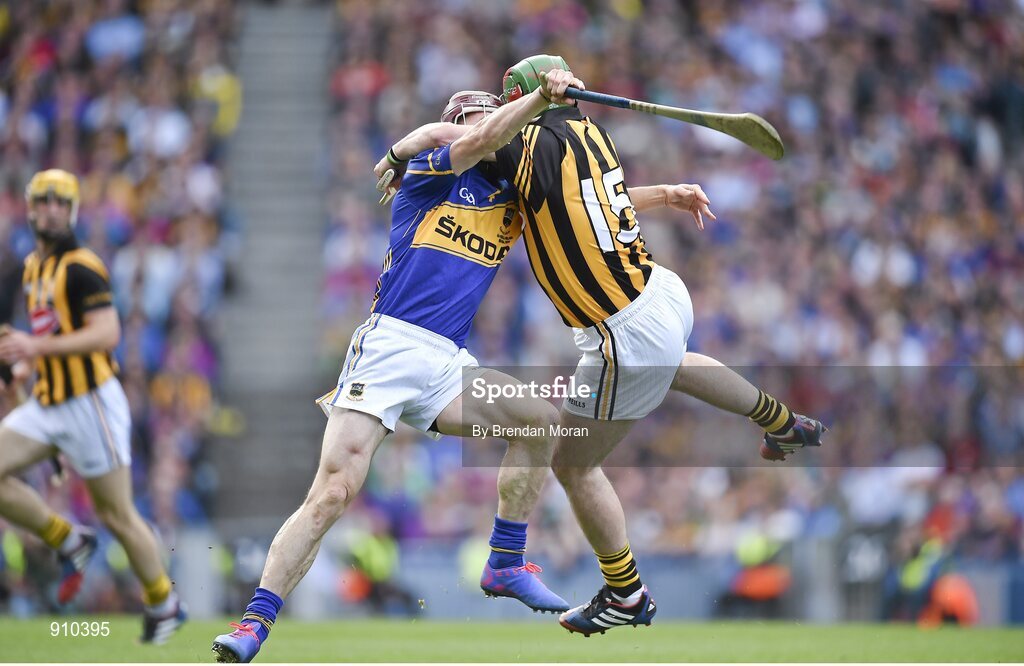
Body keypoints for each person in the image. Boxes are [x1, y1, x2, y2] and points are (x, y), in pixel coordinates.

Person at [378, 55, 826, 636]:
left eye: (493, 108)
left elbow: (447, 136)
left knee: (572, 461)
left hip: (621, 326)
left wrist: (395, 153)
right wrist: (666, 192)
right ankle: (781, 421)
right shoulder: (588, 132)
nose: (482, 124)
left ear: (519, 99)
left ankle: (626, 592)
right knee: (672, 365)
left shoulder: (522, 141)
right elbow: (582, 201)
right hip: (660, 292)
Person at [0, 169, 186, 643]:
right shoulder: (32, 267)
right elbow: (52, 337)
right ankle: (68, 538)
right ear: (30, 206)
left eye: (61, 202)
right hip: (50, 401)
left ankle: (164, 601)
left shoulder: (82, 265)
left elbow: (107, 335)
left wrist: (33, 351)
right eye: (43, 201)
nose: (52, 210)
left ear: (74, 210)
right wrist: (27, 369)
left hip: (91, 405)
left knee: (117, 514)